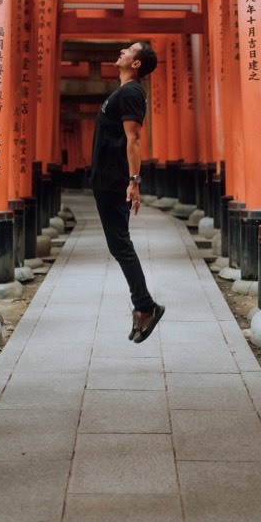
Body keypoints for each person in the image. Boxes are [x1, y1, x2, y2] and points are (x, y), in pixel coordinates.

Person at [89, 41, 165, 343]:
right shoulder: (122, 93)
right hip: (106, 179)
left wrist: (134, 181)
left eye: (130, 50)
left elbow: (133, 139)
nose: (122, 50)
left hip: (113, 180)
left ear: (136, 64)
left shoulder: (132, 92)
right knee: (118, 244)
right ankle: (144, 305)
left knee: (120, 243)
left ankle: (145, 306)